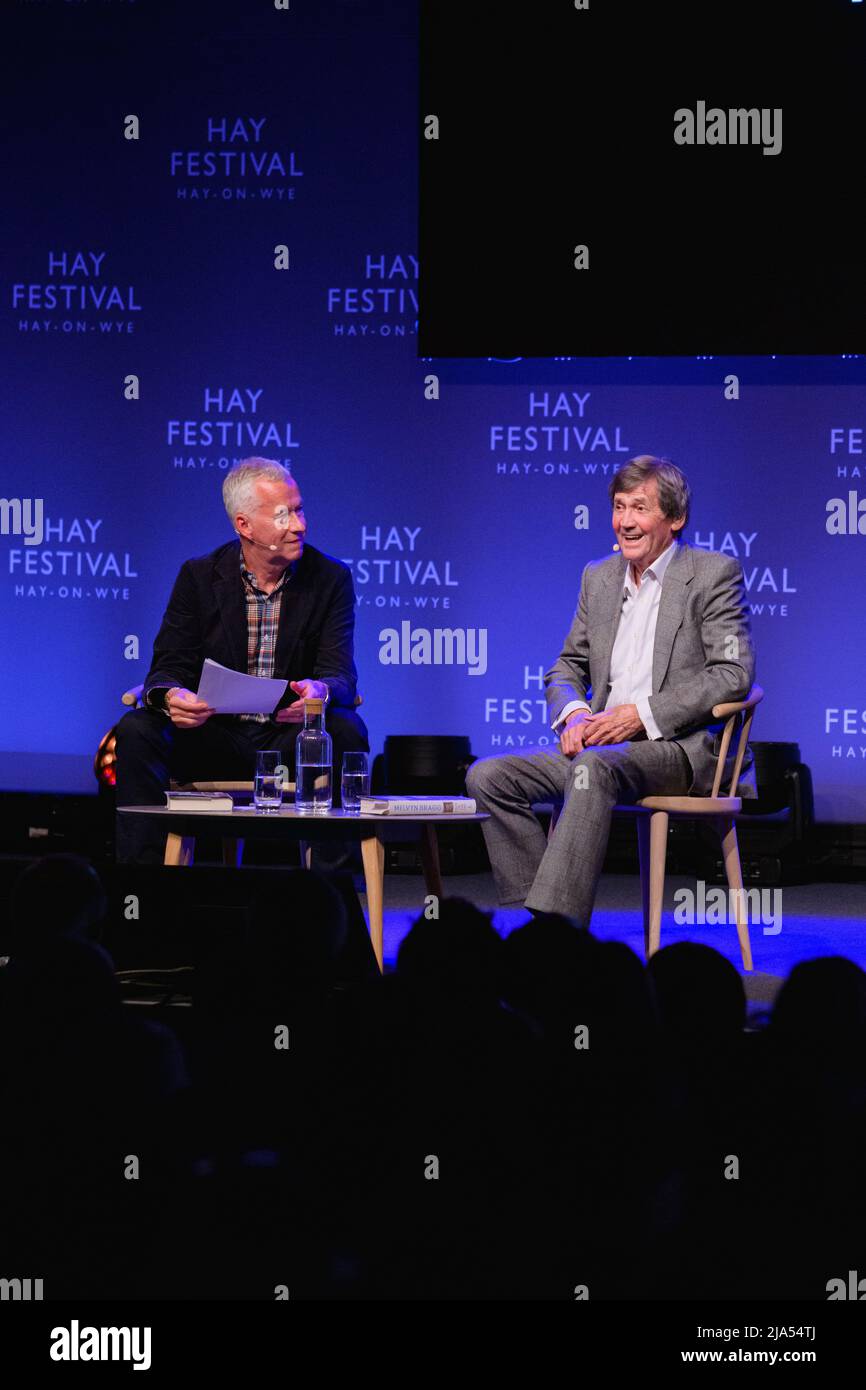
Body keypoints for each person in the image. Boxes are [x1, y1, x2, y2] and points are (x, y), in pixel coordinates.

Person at [466, 455, 756, 925]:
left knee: (592, 768)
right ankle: (537, 921)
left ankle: (556, 936)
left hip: (676, 749)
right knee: (488, 777)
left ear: (675, 518)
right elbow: (566, 666)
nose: (625, 521)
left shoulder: (712, 574)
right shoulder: (598, 578)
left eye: (639, 508)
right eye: (619, 507)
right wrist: (576, 715)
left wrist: (640, 715)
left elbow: (732, 673)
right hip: (601, 745)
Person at [114, 457, 368, 864]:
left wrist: (319, 693)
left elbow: (339, 673)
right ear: (244, 525)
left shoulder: (330, 578)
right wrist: (170, 696)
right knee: (138, 729)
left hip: (290, 738)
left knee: (344, 727)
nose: (300, 525)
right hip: (212, 734)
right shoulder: (198, 576)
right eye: (284, 514)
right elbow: (168, 666)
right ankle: (145, 889)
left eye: (300, 510)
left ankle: (331, 897)